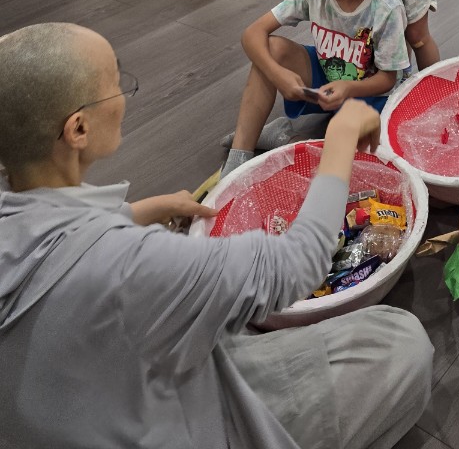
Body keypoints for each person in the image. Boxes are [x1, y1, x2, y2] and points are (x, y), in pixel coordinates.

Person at [0, 22, 432, 449]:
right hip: (174, 420)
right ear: (78, 129)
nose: (123, 95)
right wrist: (340, 137)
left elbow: (58, 248)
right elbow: (302, 260)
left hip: (105, 401)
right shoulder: (129, 263)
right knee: (401, 341)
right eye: (114, 84)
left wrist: (138, 212)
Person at [221, 0, 409, 178]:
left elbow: (388, 79)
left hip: (374, 99)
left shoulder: (386, 8)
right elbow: (252, 33)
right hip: (328, 79)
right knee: (272, 49)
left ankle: (283, 136)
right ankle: (239, 155)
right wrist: (278, 74)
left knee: (361, 162)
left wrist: (349, 87)